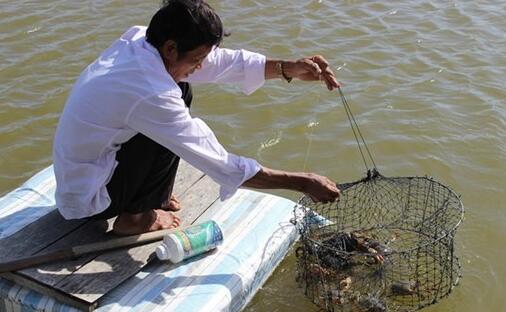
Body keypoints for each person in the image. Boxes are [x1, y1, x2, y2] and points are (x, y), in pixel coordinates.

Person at [53, 0, 341, 235]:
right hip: (90, 199)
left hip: (87, 167)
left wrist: (287, 68)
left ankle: (154, 198)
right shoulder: (151, 93)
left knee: (181, 88)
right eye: (197, 58)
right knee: (174, 110)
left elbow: (220, 62)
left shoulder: (142, 40)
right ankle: (135, 219)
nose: (201, 65)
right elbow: (218, 163)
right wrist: (302, 182)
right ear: (170, 48)